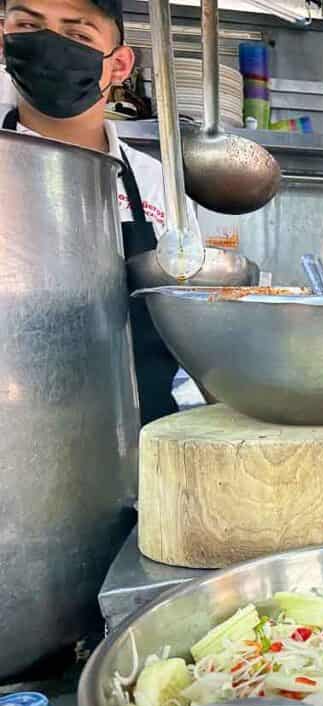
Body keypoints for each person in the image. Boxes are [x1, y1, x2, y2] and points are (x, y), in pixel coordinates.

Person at [1, 0, 201, 426]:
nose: (50, 46)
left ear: (119, 65)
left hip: (140, 453)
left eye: (78, 35)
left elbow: (185, 337)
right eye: (29, 26)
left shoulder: (158, 186)